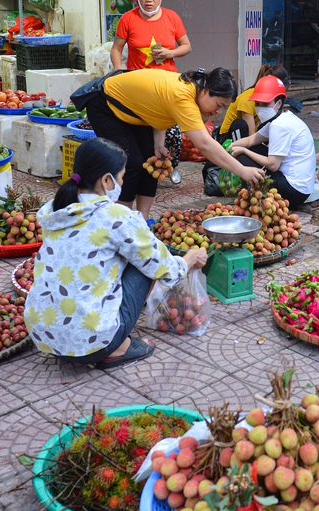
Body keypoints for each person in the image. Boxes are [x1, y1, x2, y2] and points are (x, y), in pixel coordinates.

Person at [25, 138, 208, 368]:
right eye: (121, 176)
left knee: (128, 251)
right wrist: (190, 258)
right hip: (94, 343)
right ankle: (117, 347)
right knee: (146, 260)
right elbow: (163, 267)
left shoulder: (57, 209)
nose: (122, 182)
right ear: (106, 180)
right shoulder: (116, 216)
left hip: (43, 336)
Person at [86, 68, 265, 219]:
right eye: (218, 105)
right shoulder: (184, 96)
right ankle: (122, 222)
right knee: (131, 163)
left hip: (135, 112)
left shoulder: (192, 90)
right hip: (105, 104)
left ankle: (143, 219)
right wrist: (242, 170)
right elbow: (205, 144)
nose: (218, 112)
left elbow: (159, 109)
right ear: (204, 92)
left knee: (151, 161)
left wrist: (159, 144)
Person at [226, 75, 316, 208]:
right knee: (250, 149)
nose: (260, 108)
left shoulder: (279, 125)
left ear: (278, 103)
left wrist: (243, 150)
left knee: (244, 156)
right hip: (304, 189)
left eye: (265, 104)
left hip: (293, 190)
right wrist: (231, 146)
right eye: (257, 104)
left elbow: (273, 165)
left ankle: (255, 195)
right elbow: (251, 140)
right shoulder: (283, 118)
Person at [110, 0, 191, 72]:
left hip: (167, 80)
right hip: (137, 80)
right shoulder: (127, 18)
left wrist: (170, 53)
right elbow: (116, 49)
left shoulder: (172, 17)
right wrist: (118, 69)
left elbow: (186, 46)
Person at [217, 64, 290, 143]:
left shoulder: (275, 103)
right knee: (241, 125)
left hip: (249, 134)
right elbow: (251, 137)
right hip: (228, 137)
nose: (280, 97)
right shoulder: (247, 100)